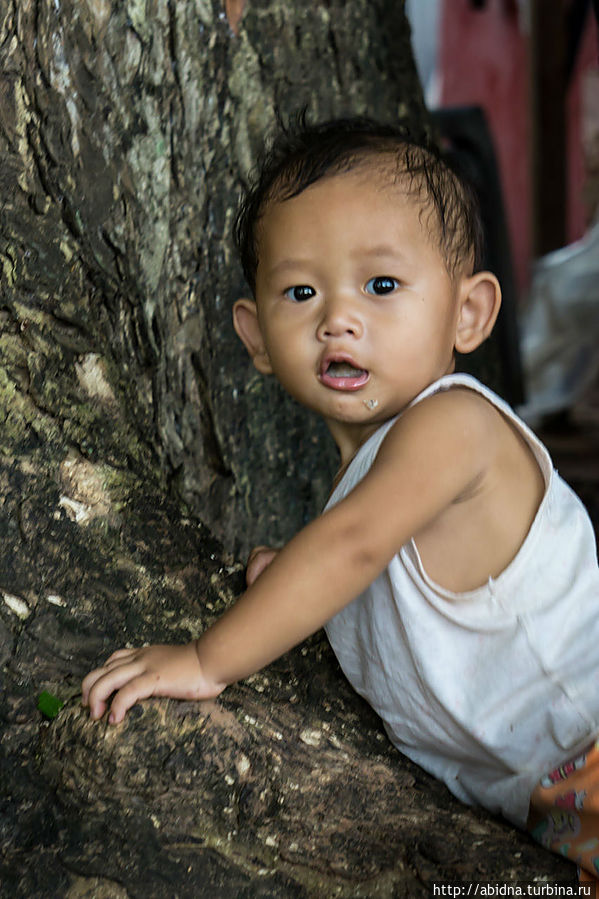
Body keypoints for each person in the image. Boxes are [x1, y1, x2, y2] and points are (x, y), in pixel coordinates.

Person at [82, 116, 599, 877]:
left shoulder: (456, 423)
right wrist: (298, 584)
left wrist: (206, 656)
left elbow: (353, 546)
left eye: (381, 284)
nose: (338, 318)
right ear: (256, 337)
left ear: (469, 313)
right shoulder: (362, 501)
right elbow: (358, 568)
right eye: (300, 291)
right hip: (549, 808)